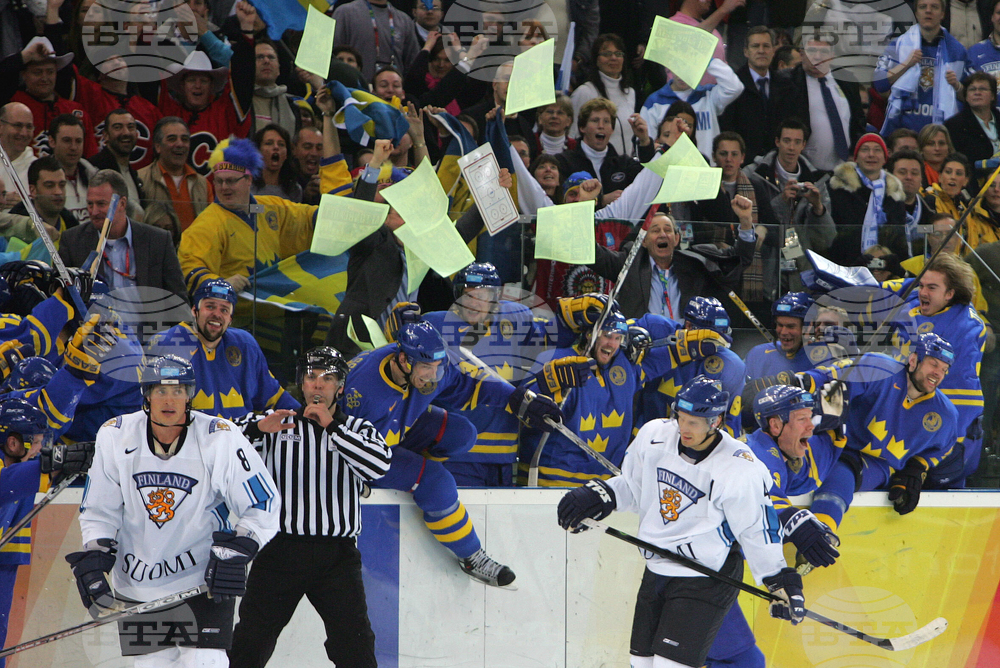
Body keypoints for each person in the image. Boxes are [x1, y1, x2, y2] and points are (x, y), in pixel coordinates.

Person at [556, 375, 804, 668]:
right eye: (681, 418)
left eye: (694, 422)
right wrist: (604, 495)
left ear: (716, 421)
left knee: (669, 665)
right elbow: (636, 488)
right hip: (657, 569)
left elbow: (756, 529)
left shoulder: (738, 466)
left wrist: (777, 579)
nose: (684, 428)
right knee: (642, 664)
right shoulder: (654, 436)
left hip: (706, 576)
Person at [68, 354, 279, 667]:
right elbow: (99, 511)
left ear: (190, 395)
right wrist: (96, 557)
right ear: (147, 395)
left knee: (205, 663)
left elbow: (264, 502)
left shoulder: (219, 437)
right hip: (138, 585)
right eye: (160, 391)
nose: (169, 400)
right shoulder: (115, 435)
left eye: (178, 391)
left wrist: (239, 549)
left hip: (202, 582)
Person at [339, 320, 563, 586]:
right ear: (403, 360)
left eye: (437, 367)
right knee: (436, 480)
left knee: (462, 433)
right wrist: (348, 480)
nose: (433, 376)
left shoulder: (432, 368)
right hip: (368, 452)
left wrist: (521, 401)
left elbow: (471, 385)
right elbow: (332, 442)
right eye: (426, 368)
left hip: (397, 426)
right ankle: (471, 556)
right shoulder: (359, 390)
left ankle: (413, 476)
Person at [228, 347, 391, 668]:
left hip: (337, 559)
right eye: (311, 377)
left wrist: (333, 428)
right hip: (279, 552)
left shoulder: (358, 429)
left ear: (340, 387)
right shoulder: (277, 423)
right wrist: (258, 428)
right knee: (250, 641)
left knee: (355, 645)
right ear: (301, 384)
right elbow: (222, 438)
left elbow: (379, 465)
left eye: (327, 378)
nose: (318, 385)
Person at [420, 263, 554, 486]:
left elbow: (538, 359)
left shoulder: (517, 318)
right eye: (468, 295)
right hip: (454, 453)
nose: (474, 303)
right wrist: (395, 326)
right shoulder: (433, 324)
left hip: (503, 453)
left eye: (482, 296)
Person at [806, 334, 960, 525]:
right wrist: (803, 380)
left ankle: (822, 537)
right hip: (835, 438)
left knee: (841, 474)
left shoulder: (945, 415)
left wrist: (918, 466)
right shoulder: (882, 369)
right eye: (934, 364)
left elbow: (944, 448)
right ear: (913, 360)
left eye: (944, 369)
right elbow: (834, 375)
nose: (938, 373)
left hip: (876, 464)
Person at [0, 398, 95, 667]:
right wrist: (52, 463)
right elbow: (4, 485)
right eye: (38, 443)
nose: (43, 449)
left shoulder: (18, 477)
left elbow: (10, 549)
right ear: (13, 443)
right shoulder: (10, 474)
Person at [888, 253, 987, 486]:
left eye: (931, 287)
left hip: (950, 435)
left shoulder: (965, 327)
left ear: (950, 294)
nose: (922, 292)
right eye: (921, 285)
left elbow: (964, 402)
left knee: (930, 483)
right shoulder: (918, 301)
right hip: (906, 420)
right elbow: (894, 287)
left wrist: (934, 454)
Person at [178, 139, 316, 295]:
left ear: (248, 180)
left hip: (276, 310)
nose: (224, 188)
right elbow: (188, 268)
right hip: (235, 314)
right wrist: (221, 285)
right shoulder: (208, 222)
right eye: (219, 181)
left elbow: (303, 217)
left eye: (230, 181)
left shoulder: (266, 206)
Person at [150, 279, 299, 420]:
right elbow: (145, 405)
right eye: (210, 306)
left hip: (239, 441)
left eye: (224, 310)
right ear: (195, 311)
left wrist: (305, 418)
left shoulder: (245, 345)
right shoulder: (166, 344)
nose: (217, 314)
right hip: (186, 442)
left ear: (230, 319)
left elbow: (273, 397)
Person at [589, 202, 756, 320]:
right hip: (641, 349)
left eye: (667, 230)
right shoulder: (629, 263)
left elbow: (739, 259)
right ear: (644, 242)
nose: (662, 234)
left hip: (685, 348)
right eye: (655, 230)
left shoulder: (695, 263)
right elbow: (592, 254)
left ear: (676, 239)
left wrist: (746, 220)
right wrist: (584, 204)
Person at [58, 169, 187, 301]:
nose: (94, 211)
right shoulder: (73, 241)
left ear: (122, 203)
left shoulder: (158, 241)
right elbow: (61, 297)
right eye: (90, 204)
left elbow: (178, 299)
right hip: (93, 321)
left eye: (101, 204)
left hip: (146, 321)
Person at [636, 297, 746, 437]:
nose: (713, 348)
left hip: (696, 444)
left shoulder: (731, 365)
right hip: (646, 434)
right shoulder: (656, 329)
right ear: (688, 326)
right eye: (709, 340)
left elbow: (729, 424)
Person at [744, 118, 836, 285]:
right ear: (777, 142)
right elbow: (757, 221)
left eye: (797, 142)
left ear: (804, 145)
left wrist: (818, 207)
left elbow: (826, 240)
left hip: (802, 268)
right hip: (764, 265)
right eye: (786, 141)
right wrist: (783, 200)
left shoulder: (817, 180)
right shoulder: (753, 174)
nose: (791, 147)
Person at [875, 0, 971, 135]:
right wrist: (905, 65)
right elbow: (879, 84)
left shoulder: (957, 51)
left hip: (942, 133)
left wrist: (956, 85)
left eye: (934, 7)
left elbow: (970, 96)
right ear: (916, 13)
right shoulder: (898, 45)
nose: (928, 11)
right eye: (923, 7)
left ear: (943, 14)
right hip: (903, 131)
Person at [771, 35, 865, 171]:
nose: (817, 57)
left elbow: (858, 121)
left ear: (832, 55)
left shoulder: (847, 80)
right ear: (802, 54)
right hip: (803, 169)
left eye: (824, 52)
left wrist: (854, 153)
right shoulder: (787, 82)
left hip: (844, 169)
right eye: (812, 51)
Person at [7, 36, 97, 159]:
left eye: (50, 72)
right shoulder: (13, 104)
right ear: (24, 75)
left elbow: (91, 156)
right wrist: (22, 58)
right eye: (37, 72)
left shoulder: (75, 110)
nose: (44, 78)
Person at [639, 58, 744, 159]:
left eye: (688, 67)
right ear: (670, 66)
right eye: (678, 66)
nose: (683, 73)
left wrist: (708, 61)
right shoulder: (654, 102)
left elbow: (735, 87)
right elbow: (647, 144)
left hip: (706, 170)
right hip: (669, 172)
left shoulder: (708, 95)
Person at [827, 133, 909, 262]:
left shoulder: (894, 194)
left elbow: (899, 239)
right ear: (856, 157)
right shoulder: (838, 188)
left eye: (877, 150)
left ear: (884, 158)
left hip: (884, 268)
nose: (871, 154)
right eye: (865, 149)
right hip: (845, 264)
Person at [557, 97, 656, 202]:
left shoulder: (623, 163)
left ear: (612, 129)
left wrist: (644, 140)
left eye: (606, 121)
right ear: (582, 127)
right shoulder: (563, 162)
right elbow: (561, 201)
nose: (601, 126)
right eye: (595, 120)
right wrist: (601, 201)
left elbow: (648, 179)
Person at [139, 116, 213, 245]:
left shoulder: (202, 183)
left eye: (184, 139)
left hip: (194, 257)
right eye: (172, 139)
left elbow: (212, 227)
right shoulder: (140, 179)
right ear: (157, 146)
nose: (179, 144)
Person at [571, 34, 637, 155]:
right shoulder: (585, 92)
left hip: (624, 168)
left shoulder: (630, 93)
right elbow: (572, 135)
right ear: (596, 59)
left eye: (618, 54)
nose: (613, 58)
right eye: (606, 54)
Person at [721, 27, 778, 163]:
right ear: (746, 51)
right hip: (743, 165)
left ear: (773, 50)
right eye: (755, 46)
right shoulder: (733, 85)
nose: (761, 51)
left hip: (777, 164)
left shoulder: (785, 84)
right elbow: (728, 129)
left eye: (766, 46)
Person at [333, 0, 420, 82]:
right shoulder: (344, 13)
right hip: (354, 90)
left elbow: (412, 64)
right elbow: (332, 56)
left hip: (392, 93)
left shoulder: (404, 20)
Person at [88, 109, 146, 221]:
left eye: (130, 127)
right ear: (105, 135)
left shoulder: (132, 173)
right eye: (118, 127)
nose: (126, 133)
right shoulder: (94, 169)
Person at [944, 71, 1000, 181]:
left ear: (993, 96)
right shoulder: (954, 125)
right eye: (972, 89)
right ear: (966, 96)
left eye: (982, 89)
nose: (977, 93)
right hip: (974, 183)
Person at [48, 113, 95, 225]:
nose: (73, 147)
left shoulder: (94, 175)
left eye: (78, 141)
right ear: (52, 141)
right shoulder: (40, 178)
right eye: (67, 140)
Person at [887, 149, 935, 256]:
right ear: (890, 176)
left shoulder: (930, 213)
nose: (909, 177)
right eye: (902, 172)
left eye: (914, 173)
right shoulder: (880, 211)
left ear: (922, 178)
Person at [251, 40, 296, 137]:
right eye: (260, 57)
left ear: (279, 69)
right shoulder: (238, 101)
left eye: (271, 57)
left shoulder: (293, 106)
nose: (266, 61)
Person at [0, 102, 36, 207]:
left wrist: (27, 205)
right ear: (1, 126)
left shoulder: (38, 167)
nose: (24, 133)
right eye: (18, 126)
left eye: (29, 127)